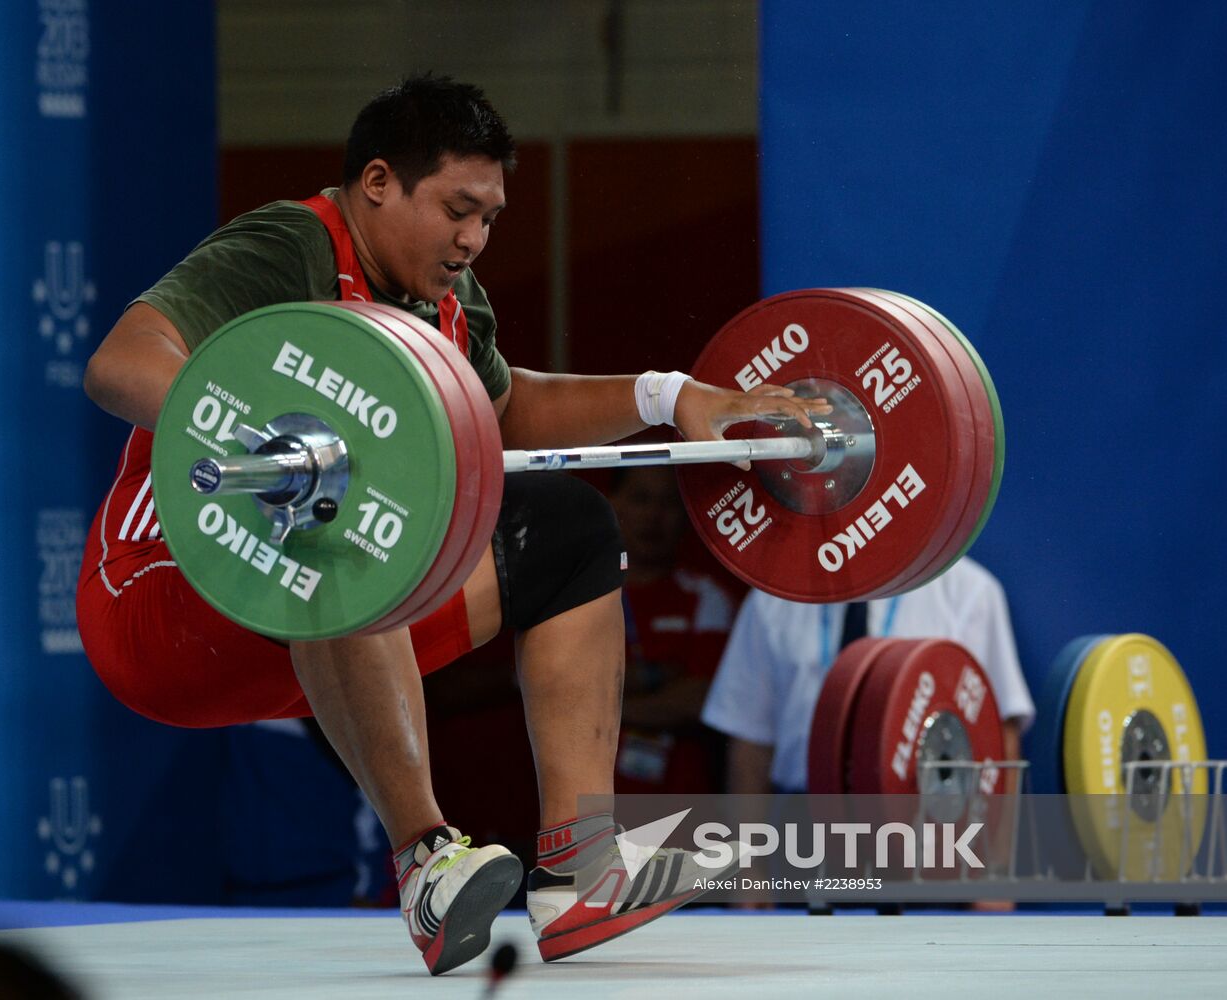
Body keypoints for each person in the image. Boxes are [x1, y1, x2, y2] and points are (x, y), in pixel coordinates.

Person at [76, 75, 827, 975]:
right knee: (350, 524)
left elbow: (499, 415)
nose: (473, 239)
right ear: (378, 182)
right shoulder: (290, 246)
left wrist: (665, 396)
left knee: (570, 531)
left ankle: (579, 869)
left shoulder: (446, 301)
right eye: (456, 210)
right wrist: (271, 442)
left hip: (301, 620)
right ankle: (427, 862)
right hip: (161, 598)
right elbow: (120, 362)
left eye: (489, 218)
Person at [701, 556, 1035, 796]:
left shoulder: (969, 591)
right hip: (801, 821)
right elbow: (749, 741)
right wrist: (750, 862)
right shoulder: (776, 595)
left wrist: (994, 863)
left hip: (921, 826)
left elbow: (998, 732)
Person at [607, 465, 737, 794]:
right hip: (594, 804)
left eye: (668, 503)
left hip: (682, 803)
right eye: (641, 499)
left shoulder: (707, 596)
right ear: (613, 504)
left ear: (686, 514)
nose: (654, 515)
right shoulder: (582, 597)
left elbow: (700, 698)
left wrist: (603, 708)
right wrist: (659, 679)